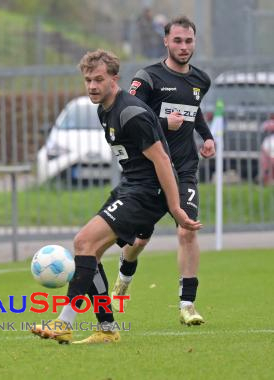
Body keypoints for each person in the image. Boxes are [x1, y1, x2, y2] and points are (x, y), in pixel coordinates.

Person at [30, 50, 201, 344]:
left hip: (148, 192)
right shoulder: (104, 110)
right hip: (131, 187)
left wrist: (175, 206)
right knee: (90, 251)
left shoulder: (129, 113)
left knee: (84, 242)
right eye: (88, 80)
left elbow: (162, 159)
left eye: (99, 79)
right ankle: (107, 330)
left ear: (114, 79)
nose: (93, 86)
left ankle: (64, 322)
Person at [113, 16, 215, 326]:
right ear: (166, 42)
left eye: (189, 41)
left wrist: (207, 136)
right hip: (149, 173)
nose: (183, 47)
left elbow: (192, 114)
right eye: (178, 41)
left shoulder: (201, 80)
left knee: (187, 229)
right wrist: (160, 122)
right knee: (139, 241)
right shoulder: (148, 79)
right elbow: (126, 116)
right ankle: (123, 277)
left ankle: (187, 304)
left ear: (194, 43)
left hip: (183, 170)